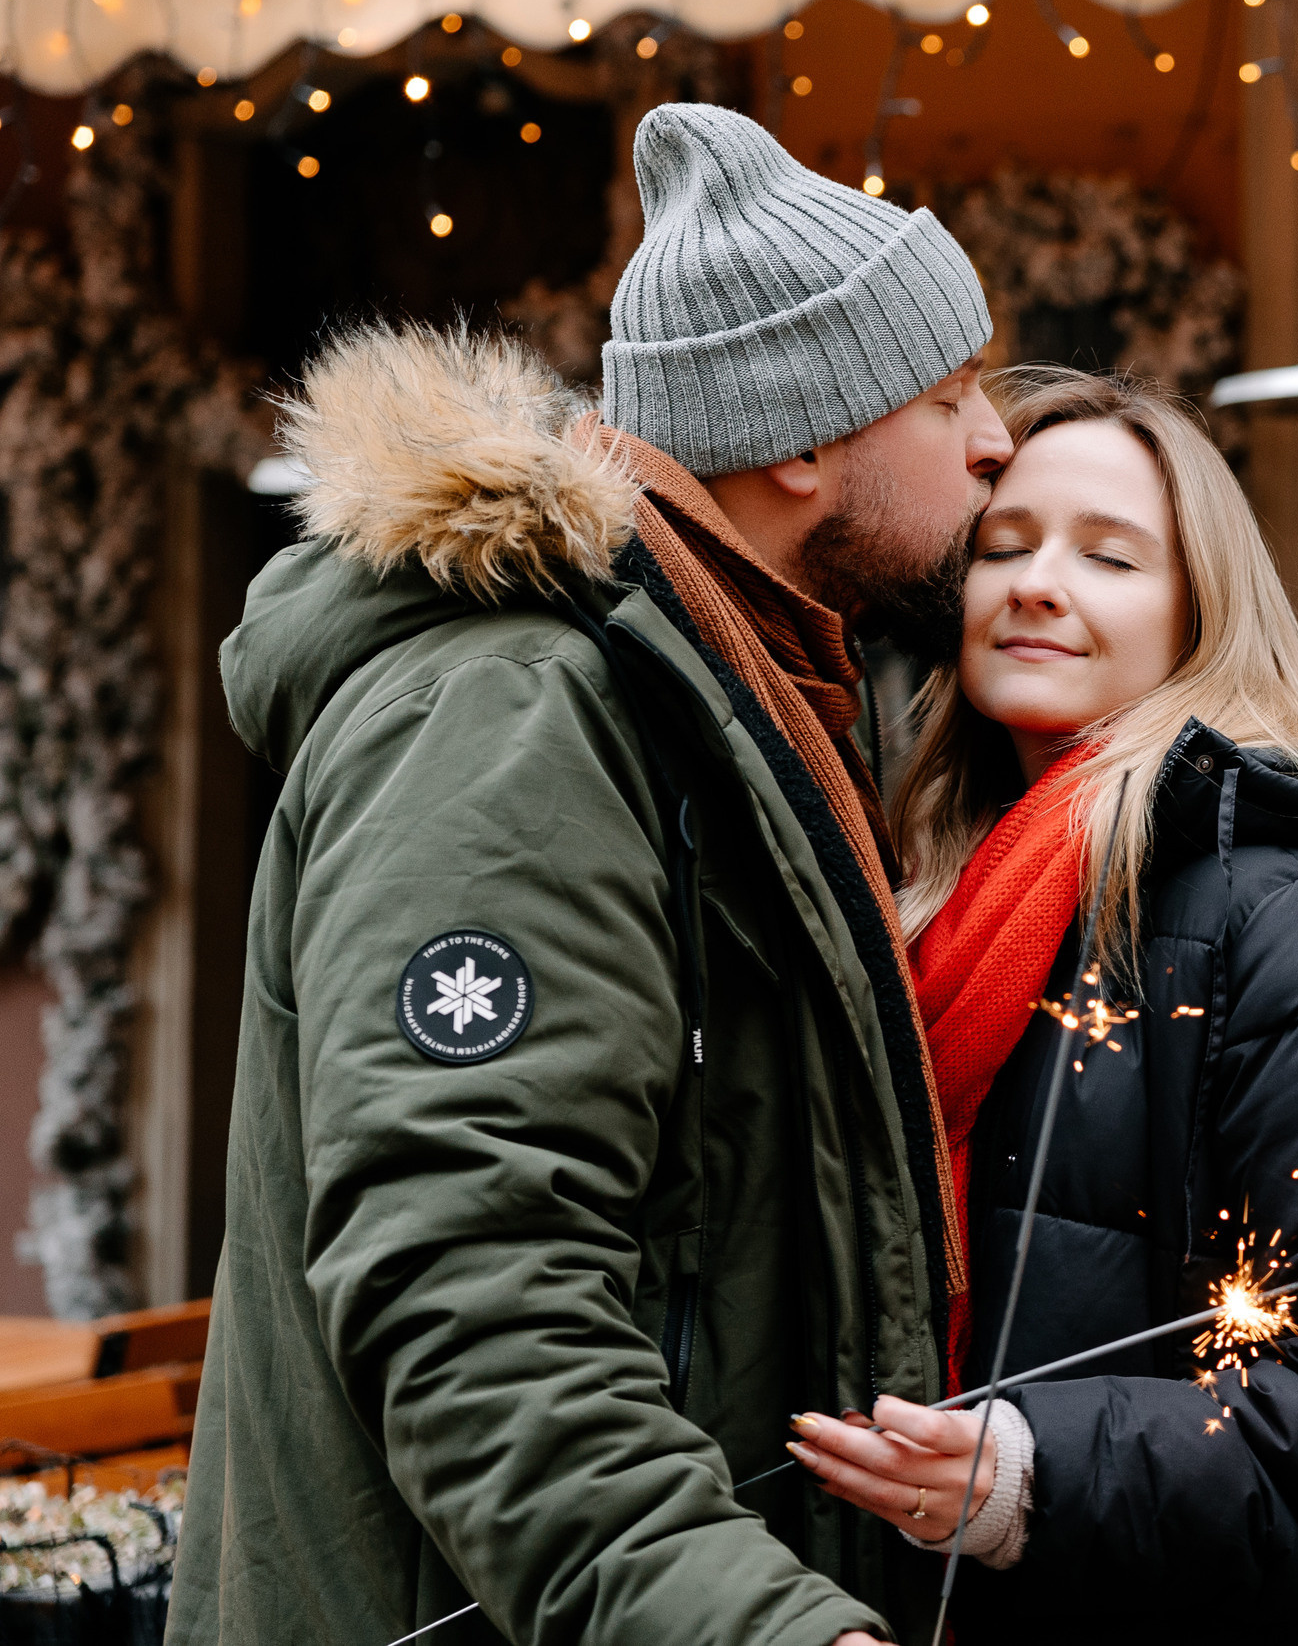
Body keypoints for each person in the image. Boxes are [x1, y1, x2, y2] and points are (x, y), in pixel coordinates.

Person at [170, 104, 1009, 1646]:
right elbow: (473, 1282)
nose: (995, 438)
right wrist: (765, 1626)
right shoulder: (515, 716)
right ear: (804, 440)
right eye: (948, 393)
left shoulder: (709, 683)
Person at [784, 367, 1298, 1643]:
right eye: (1002, 546)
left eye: (1110, 557)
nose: (1035, 583)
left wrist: (1031, 1474)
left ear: (1201, 615)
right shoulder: (924, 914)